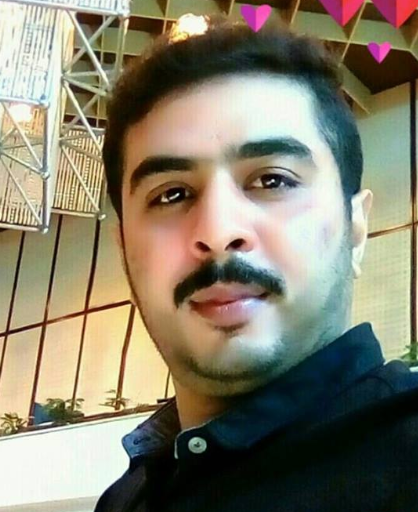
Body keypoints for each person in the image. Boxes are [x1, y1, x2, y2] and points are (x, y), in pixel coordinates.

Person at [94, 14, 418, 512]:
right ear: (123, 250)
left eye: (273, 180)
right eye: (171, 194)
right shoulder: (124, 499)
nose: (218, 232)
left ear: (356, 230)